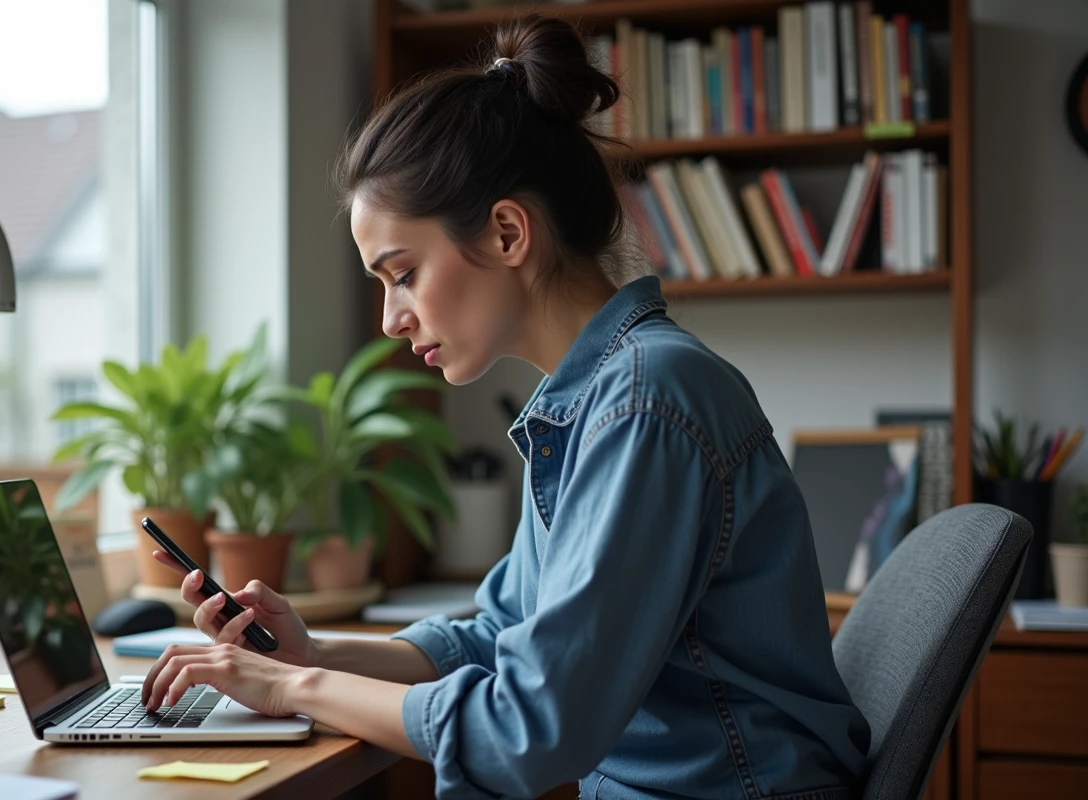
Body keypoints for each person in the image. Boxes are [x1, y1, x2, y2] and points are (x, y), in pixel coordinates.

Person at [141, 13, 871, 800]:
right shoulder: (590, 400)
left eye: (404, 273)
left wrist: (288, 691)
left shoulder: (644, 404)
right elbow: (496, 637)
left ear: (507, 232)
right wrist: (312, 655)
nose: (391, 318)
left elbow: (525, 730)